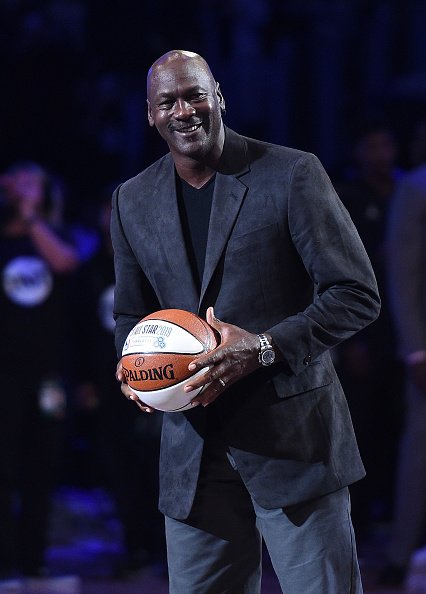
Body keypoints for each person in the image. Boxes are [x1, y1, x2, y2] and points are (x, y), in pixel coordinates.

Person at [111, 50, 380, 594]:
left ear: (219, 99)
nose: (184, 110)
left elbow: (356, 293)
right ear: (150, 115)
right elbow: (129, 313)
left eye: (195, 95)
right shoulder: (132, 201)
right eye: (169, 101)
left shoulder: (291, 174)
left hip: (294, 444)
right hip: (193, 454)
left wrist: (261, 347)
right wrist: (133, 370)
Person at [0, 162, 80, 583]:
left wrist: (32, 218)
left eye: (35, 183)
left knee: (41, 465)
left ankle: (33, 558)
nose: (25, 189)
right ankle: (6, 558)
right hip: (4, 376)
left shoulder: (55, 237)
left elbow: (65, 263)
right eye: (19, 182)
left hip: (47, 375)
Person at [333, 123, 405, 539]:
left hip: (403, 327)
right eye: (373, 144)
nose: (382, 153)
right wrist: (351, 340)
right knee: (360, 426)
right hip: (363, 328)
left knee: (398, 426)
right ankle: (354, 523)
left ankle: (393, 518)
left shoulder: (406, 192)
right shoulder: (348, 198)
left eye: (387, 143)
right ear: (359, 151)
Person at [379, 120, 426, 587]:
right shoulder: (415, 189)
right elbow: (404, 275)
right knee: (420, 449)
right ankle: (400, 550)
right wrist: (415, 349)